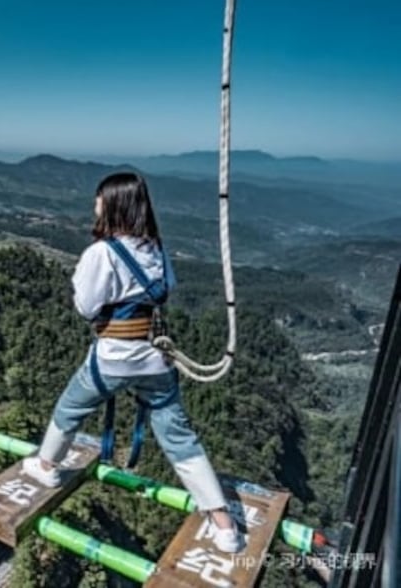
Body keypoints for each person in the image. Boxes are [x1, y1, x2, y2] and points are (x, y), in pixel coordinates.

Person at [21, 171, 245, 554]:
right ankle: (223, 524)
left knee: (71, 408)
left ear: (113, 205)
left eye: (99, 199)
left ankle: (46, 466)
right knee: (178, 435)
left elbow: (86, 306)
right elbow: (167, 289)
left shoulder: (101, 253)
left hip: (113, 356)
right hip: (156, 358)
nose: (95, 204)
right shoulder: (156, 249)